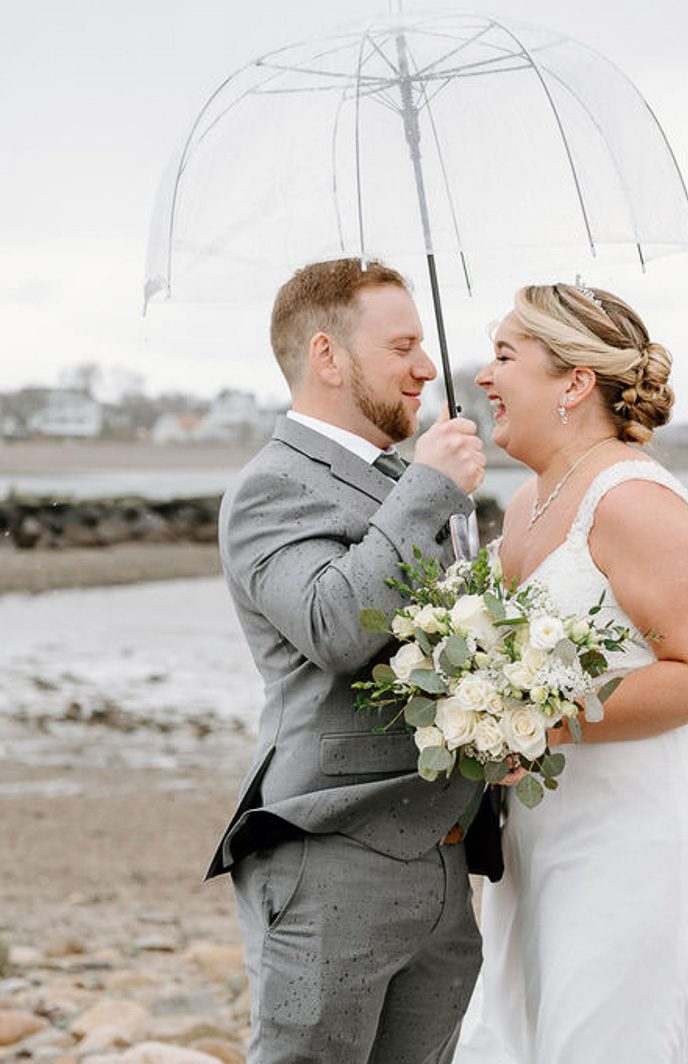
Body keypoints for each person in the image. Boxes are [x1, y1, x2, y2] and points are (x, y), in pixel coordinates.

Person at [204, 257, 503, 1064]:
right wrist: (428, 491)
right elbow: (332, 625)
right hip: (330, 858)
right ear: (327, 357)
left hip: (439, 856)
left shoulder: (397, 478)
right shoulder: (272, 487)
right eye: (402, 345)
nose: (428, 367)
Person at [456, 282, 688, 1062]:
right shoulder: (524, 506)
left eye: (507, 356)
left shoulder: (634, 501)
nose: (484, 377)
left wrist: (542, 723)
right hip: (538, 833)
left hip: (637, 831)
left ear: (575, 382)